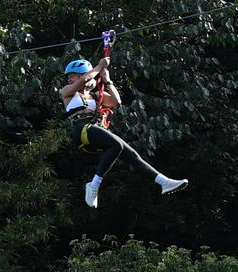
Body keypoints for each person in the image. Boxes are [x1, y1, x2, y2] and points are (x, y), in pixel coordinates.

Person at [60, 56, 188, 209]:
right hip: (81, 128)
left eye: (72, 75)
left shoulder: (95, 96)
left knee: (131, 154)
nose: (68, 79)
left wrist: (107, 81)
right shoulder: (67, 93)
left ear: (81, 74)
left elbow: (116, 102)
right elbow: (85, 79)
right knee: (116, 146)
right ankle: (93, 185)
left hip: (94, 129)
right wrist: (99, 66)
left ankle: (164, 182)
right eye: (68, 76)